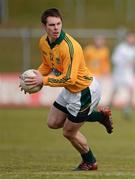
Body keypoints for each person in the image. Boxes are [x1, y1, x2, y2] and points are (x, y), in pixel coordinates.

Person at [20, 8, 113, 171]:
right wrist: (33, 79)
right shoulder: (43, 42)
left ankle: (90, 161)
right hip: (70, 89)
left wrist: (44, 80)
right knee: (53, 122)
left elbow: (70, 78)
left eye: (58, 24)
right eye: (52, 25)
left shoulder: (70, 47)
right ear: (44, 27)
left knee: (69, 132)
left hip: (85, 91)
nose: (56, 28)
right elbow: (48, 65)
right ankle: (99, 116)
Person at [111, 31, 135, 119]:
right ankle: (108, 107)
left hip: (128, 73)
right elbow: (114, 59)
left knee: (131, 90)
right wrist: (124, 63)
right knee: (115, 90)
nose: (132, 39)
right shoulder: (121, 48)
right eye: (130, 37)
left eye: (133, 38)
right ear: (127, 38)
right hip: (119, 73)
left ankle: (127, 108)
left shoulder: (133, 49)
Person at [83, 36, 112, 107]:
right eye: (97, 40)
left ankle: (100, 104)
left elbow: (106, 62)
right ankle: (87, 103)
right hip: (90, 73)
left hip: (101, 74)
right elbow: (83, 61)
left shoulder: (105, 50)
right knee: (90, 89)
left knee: (101, 89)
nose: (99, 42)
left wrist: (107, 71)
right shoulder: (88, 49)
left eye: (101, 40)